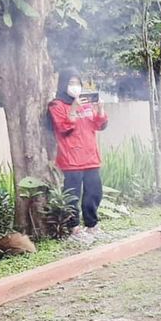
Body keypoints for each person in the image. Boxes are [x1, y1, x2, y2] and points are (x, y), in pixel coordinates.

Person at [48, 68, 109, 241]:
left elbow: (99, 125)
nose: (75, 87)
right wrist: (73, 109)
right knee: (72, 195)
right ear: (63, 85)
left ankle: (92, 225)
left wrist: (101, 110)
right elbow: (64, 128)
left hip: (91, 157)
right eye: (71, 83)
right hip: (71, 159)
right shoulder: (56, 105)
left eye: (78, 83)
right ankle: (73, 227)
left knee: (94, 192)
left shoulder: (87, 104)